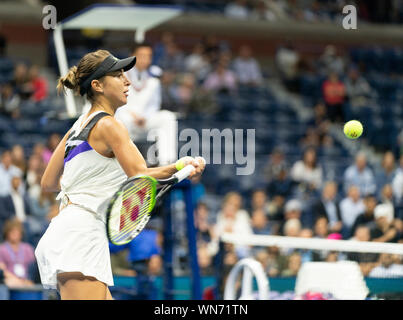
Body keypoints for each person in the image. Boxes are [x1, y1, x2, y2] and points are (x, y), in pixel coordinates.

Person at [34, 49, 205, 300]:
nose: (128, 81)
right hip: (81, 236)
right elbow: (139, 175)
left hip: (74, 231)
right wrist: (179, 166)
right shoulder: (110, 125)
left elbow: (48, 183)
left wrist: (84, 189)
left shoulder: (78, 125)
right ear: (97, 85)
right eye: (118, 76)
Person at [115, 43, 178, 166]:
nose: (145, 59)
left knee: (168, 117)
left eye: (148, 56)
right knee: (122, 120)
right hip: (125, 119)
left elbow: (154, 105)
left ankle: (167, 163)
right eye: (141, 55)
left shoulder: (153, 80)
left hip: (144, 121)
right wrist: (133, 115)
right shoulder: (120, 76)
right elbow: (116, 102)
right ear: (132, 56)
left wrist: (145, 117)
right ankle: (123, 164)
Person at [0, 218, 35, 287]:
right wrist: (15, 279)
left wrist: (28, 280)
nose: (15, 234)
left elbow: (32, 268)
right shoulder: (2, 248)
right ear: (7, 233)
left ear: (21, 233)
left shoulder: (28, 248)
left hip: (26, 280)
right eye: (12, 232)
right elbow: (2, 269)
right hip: (10, 280)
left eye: (17, 232)